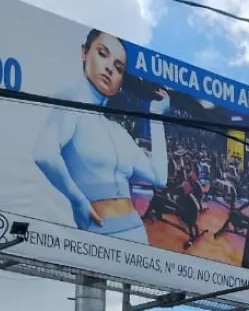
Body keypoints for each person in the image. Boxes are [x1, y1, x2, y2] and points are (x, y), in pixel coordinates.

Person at [32, 30, 170, 242]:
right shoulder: (72, 103)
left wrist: (156, 116)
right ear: (84, 53)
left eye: (119, 68)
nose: (109, 68)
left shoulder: (118, 132)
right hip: (97, 232)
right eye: (103, 54)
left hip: (136, 232)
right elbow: (44, 154)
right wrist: (78, 200)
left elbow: (159, 177)